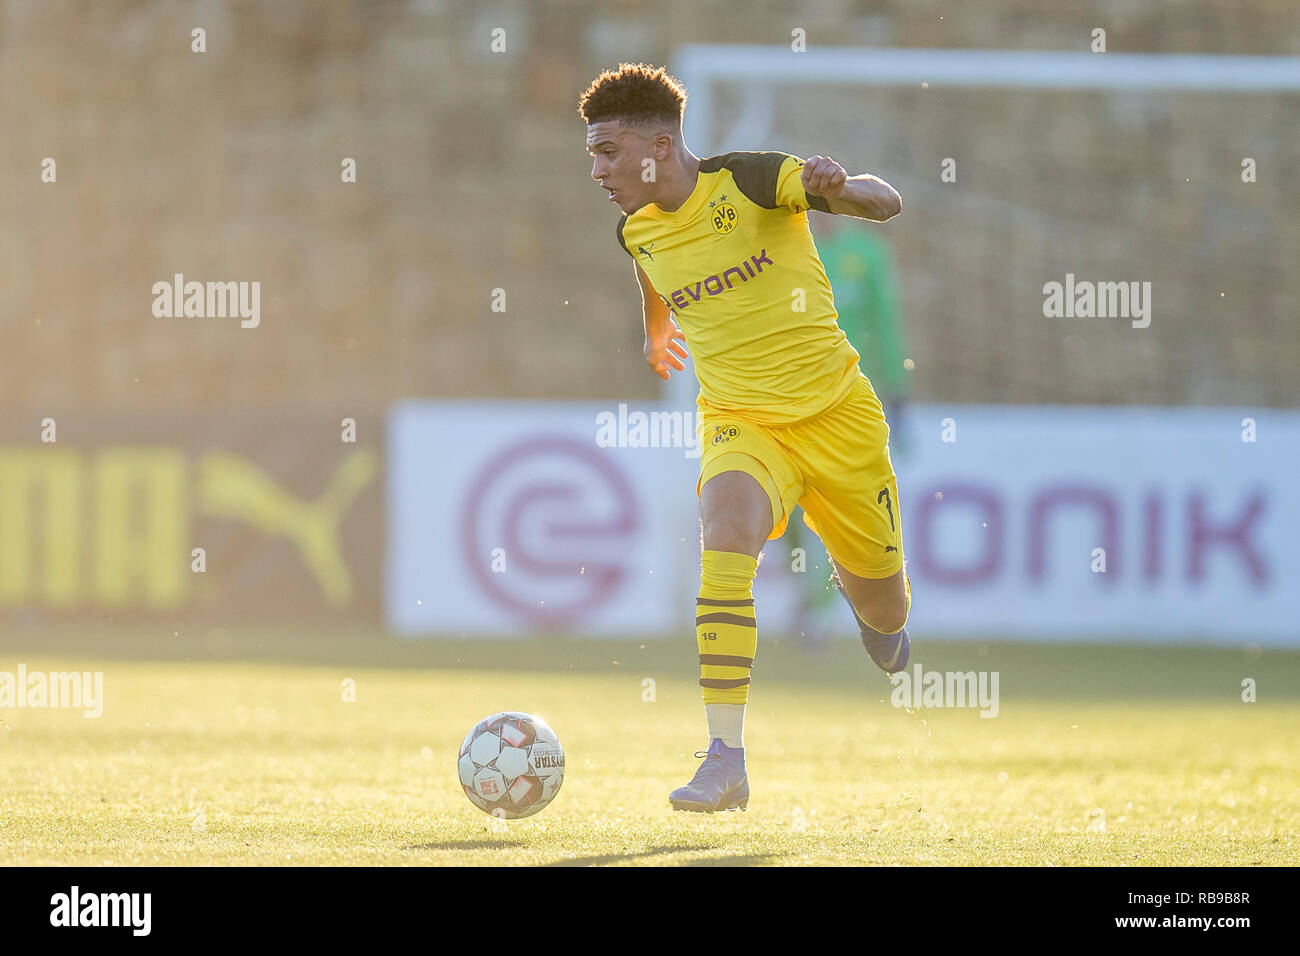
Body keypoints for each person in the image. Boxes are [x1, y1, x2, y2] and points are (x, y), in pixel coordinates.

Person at [578, 63, 911, 813]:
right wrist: (656, 335)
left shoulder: (754, 181)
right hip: (740, 420)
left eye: (608, 152)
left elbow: (887, 205)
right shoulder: (635, 228)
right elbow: (653, 278)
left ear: (659, 146)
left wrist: (839, 187)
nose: (597, 170)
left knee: (886, 611)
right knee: (726, 530)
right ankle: (725, 755)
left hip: (837, 417)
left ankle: (874, 621)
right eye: (593, 155)